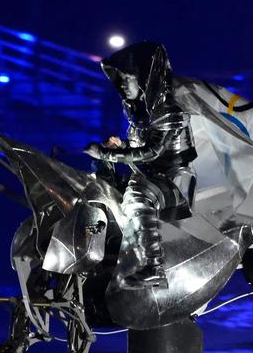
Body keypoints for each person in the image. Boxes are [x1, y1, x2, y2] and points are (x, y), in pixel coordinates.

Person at [84, 41, 197, 289]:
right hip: (150, 177)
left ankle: (154, 267)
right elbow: (140, 146)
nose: (123, 84)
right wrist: (119, 147)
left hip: (174, 181)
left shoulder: (167, 111)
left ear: (143, 78)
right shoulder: (141, 112)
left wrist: (106, 153)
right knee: (103, 187)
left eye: (128, 78)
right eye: (122, 79)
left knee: (136, 197)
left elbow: (151, 151)